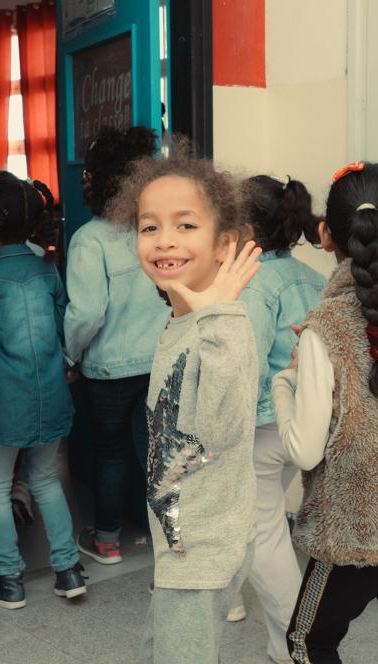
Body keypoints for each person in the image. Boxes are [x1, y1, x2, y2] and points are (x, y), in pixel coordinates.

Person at [105, 147, 262, 662]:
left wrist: (218, 314)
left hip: (203, 553)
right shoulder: (183, 322)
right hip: (181, 548)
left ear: (224, 245)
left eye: (186, 225)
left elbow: (221, 429)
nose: (164, 240)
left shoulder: (223, 328)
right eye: (149, 227)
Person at [0, 173, 85, 609]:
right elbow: (64, 331)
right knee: (46, 480)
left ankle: (9, 580)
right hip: (50, 393)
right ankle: (68, 571)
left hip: (3, 400)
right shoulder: (49, 272)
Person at [273, 161, 378, 664]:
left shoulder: (327, 327)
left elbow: (306, 449)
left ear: (325, 234)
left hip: (354, 527)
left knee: (307, 642)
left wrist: (288, 381)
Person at [228, 175, 326, 662]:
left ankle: (293, 642)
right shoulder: (312, 276)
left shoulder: (253, 286)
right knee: (260, 520)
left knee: (261, 528)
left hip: (261, 426)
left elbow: (244, 368)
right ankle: (275, 635)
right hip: (298, 422)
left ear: (245, 227)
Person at [63, 126, 169, 565]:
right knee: (157, 451)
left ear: (101, 180)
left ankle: (106, 540)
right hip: (158, 360)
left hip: (108, 370)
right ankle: (165, 537)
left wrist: (70, 355)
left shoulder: (91, 239)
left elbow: (86, 313)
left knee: (110, 454)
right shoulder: (158, 230)